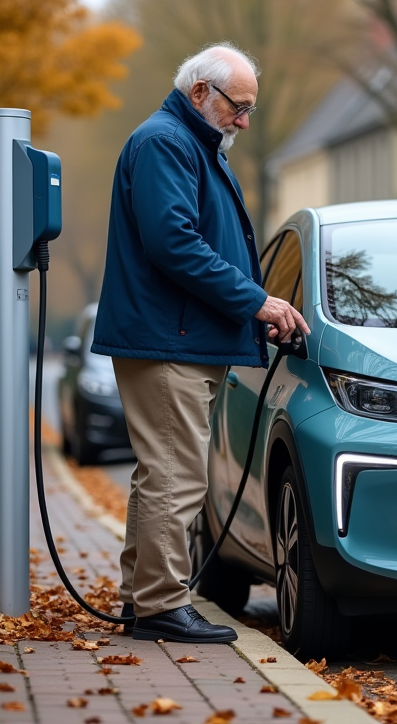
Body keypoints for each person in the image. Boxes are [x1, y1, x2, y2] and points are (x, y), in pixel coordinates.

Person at [91, 43, 309, 643]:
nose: (243, 121)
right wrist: (256, 302)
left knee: (161, 471)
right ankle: (162, 604)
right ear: (199, 94)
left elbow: (190, 243)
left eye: (250, 110)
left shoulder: (188, 143)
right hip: (169, 342)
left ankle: (144, 597)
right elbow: (174, 244)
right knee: (176, 474)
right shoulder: (167, 142)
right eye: (238, 107)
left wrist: (248, 313)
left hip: (177, 336)